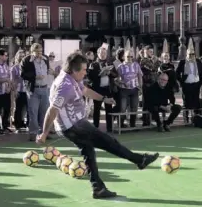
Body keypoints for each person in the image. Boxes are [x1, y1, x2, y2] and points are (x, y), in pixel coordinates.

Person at [36, 52, 159, 199]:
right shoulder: (65, 85)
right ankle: (140, 160)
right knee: (108, 142)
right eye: (83, 70)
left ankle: (98, 188)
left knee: (89, 153)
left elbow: (85, 90)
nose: (85, 72)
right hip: (74, 126)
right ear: (74, 70)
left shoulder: (71, 78)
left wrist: (104, 99)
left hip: (74, 124)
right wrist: (44, 133)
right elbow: (52, 109)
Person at [21, 43, 52, 141]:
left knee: (45, 112)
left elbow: (48, 70)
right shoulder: (26, 60)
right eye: (37, 52)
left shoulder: (45, 59)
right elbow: (22, 74)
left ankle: (44, 134)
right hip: (33, 89)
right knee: (33, 112)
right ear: (32, 52)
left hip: (45, 88)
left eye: (41, 51)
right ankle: (33, 134)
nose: (39, 54)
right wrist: (34, 76)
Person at [88, 47, 116, 131]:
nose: (103, 54)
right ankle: (95, 127)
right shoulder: (94, 64)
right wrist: (100, 74)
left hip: (108, 88)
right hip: (98, 89)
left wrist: (109, 72)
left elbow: (116, 74)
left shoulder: (110, 63)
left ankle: (109, 127)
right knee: (97, 108)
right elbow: (90, 77)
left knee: (109, 108)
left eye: (104, 53)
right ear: (98, 53)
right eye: (101, 53)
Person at [116, 49, 142, 127]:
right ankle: (121, 125)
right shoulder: (120, 67)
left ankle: (132, 124)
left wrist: (140, 87)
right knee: (123, 108)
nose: (130, 58)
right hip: (124, 90)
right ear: (124, 57)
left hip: (134, 89)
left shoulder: (136, 65)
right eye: (128, 56)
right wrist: (122, 82)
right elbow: (116, 79)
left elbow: (140, 76)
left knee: (134, 108)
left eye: (131, 56)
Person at [11, 50, 29, 134]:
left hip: (28, 90)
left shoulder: (28, 66)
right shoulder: (14, 68)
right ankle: (18, 125)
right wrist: (14, 91)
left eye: (23, 56)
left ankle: (28, 124)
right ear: (17, 57)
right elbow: (13, 80)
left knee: (29, 109)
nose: (22, 57)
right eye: (20, 56)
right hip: (19, 90)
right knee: (18, 108)